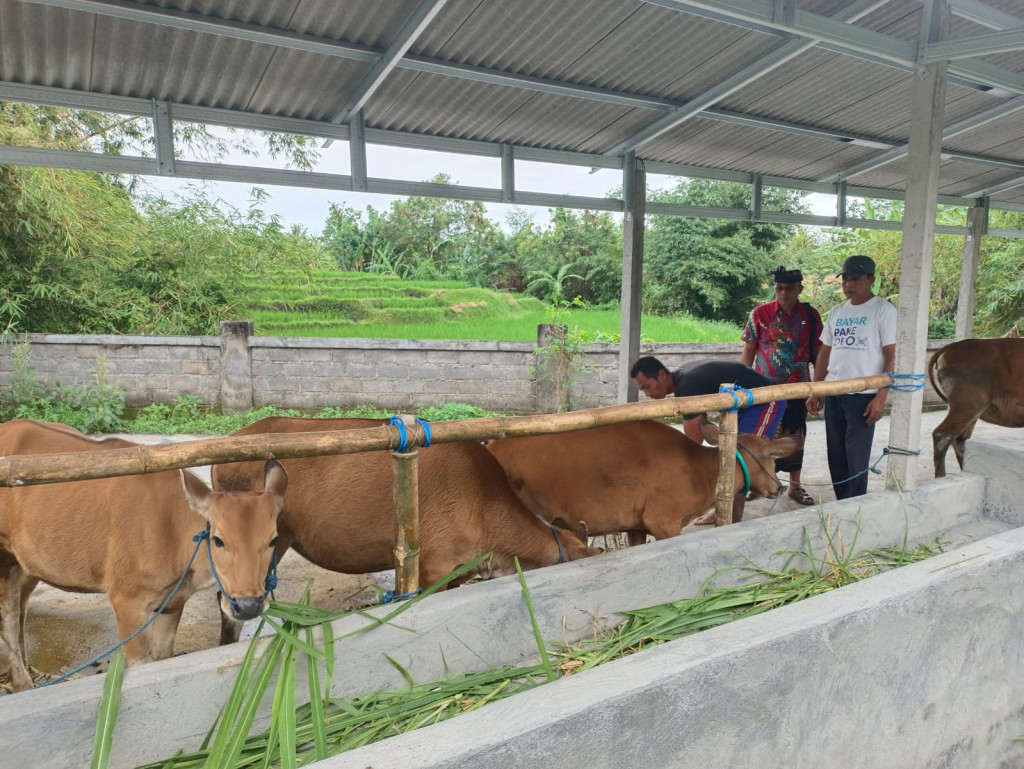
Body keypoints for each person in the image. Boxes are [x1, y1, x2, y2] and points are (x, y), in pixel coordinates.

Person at [630, 356, 785, 524]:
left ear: (661, 375)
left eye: (647, 387)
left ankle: (732, 522)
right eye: (642, 390)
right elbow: (698, 428)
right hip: (741, 406)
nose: (647, 394)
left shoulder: (687, 385)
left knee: (741, 460)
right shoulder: (684, 379)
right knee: (730, 455)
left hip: (766, 400)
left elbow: (691, 447)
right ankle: (721, 510)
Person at [806, 255, 896, 501]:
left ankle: (856, 506)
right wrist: (817, 390)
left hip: (864, 397)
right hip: (835, 393)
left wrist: (880, 398)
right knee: (836, 455)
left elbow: (891, 357)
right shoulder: (836, 312)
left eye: (855, 279)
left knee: (856, 458)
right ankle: (841, 502)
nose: (848, 284)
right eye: (845, 279)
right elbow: (825, 354)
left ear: (871, 279)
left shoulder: (883, 311)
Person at [741, 266, 823, 506]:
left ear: (800, 289)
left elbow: (819, 353)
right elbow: (749, 350)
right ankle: (756, 482)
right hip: (763, 389)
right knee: (759, 438)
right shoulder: (760, 314)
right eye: (779, 288)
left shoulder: (811, 315)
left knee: (796, 437)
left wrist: (818, 389)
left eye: (789, 288)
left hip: (799, 389)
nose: (783, 293)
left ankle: (795, 486)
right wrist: (741, 386)